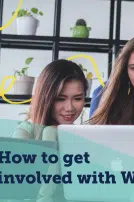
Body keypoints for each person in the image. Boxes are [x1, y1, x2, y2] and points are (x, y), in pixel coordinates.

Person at [11, 59, 88, 202]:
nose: (69, 108)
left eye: (77, 98)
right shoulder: (24, 133)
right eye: (60, 99)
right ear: (46, 98)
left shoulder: (80, 136)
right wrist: (50, 139)